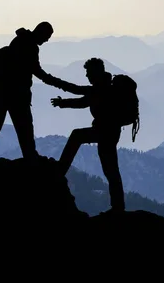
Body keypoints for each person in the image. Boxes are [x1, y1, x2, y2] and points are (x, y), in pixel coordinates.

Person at [0, 21, 67, 162]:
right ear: (40, 32)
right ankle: (29, 155)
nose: (47, 40)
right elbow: (37, 71)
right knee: (23, 126)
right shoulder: (30, 47)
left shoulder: (20, 40)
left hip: (1, 91)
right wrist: (60, 83)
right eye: (47, 36)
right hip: (17, 94)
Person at [50, 57, 126, 212]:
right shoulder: (103, 87)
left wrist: (57, 91)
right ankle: (118, 206)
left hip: (105, 132)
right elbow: (82, 99)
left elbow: (78, 94)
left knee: (77, 136)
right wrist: (63, 102)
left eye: (88, 72)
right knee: (111, 170)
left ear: (96, 72)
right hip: (110, 133)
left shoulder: (101, 89)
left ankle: (60, 171)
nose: (87, 76)